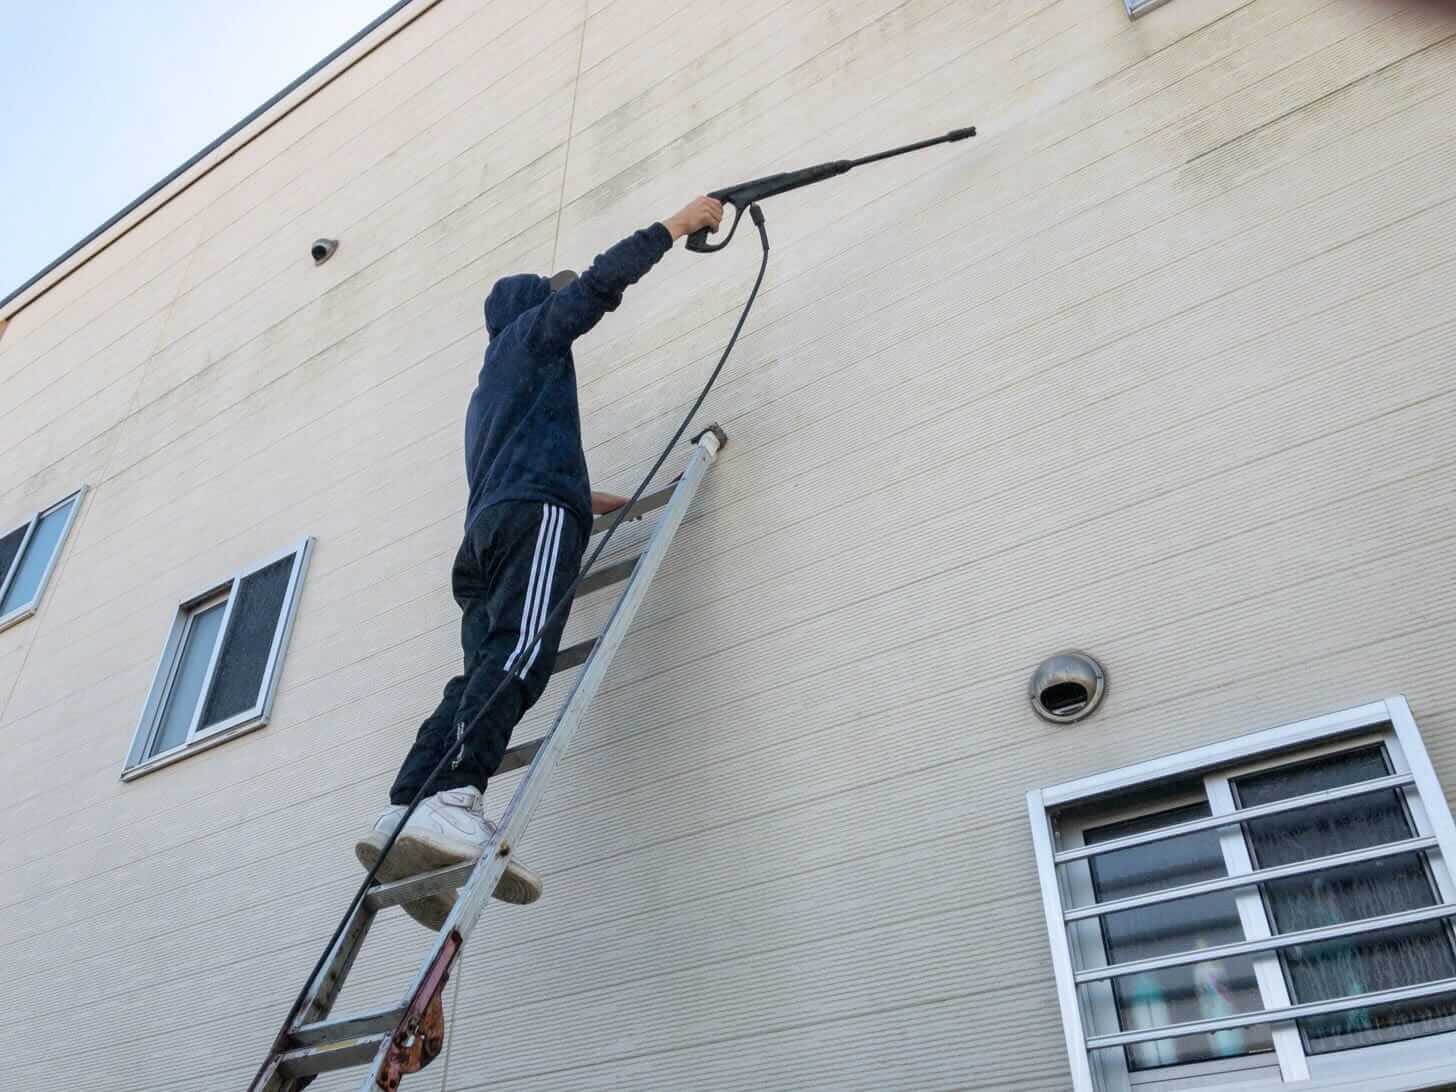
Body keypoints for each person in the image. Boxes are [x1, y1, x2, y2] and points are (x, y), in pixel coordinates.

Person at [356, 196, 726, 927]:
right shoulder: (534, 339)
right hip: (533, 521)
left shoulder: (489, 392)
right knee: (522, 656)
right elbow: (596, 288)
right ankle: (459, 799)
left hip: (489, 532)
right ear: (532, 312)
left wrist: (609, 502)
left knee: (478, 671)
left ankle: (411, 807)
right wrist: (677, 226)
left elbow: (530, 467)